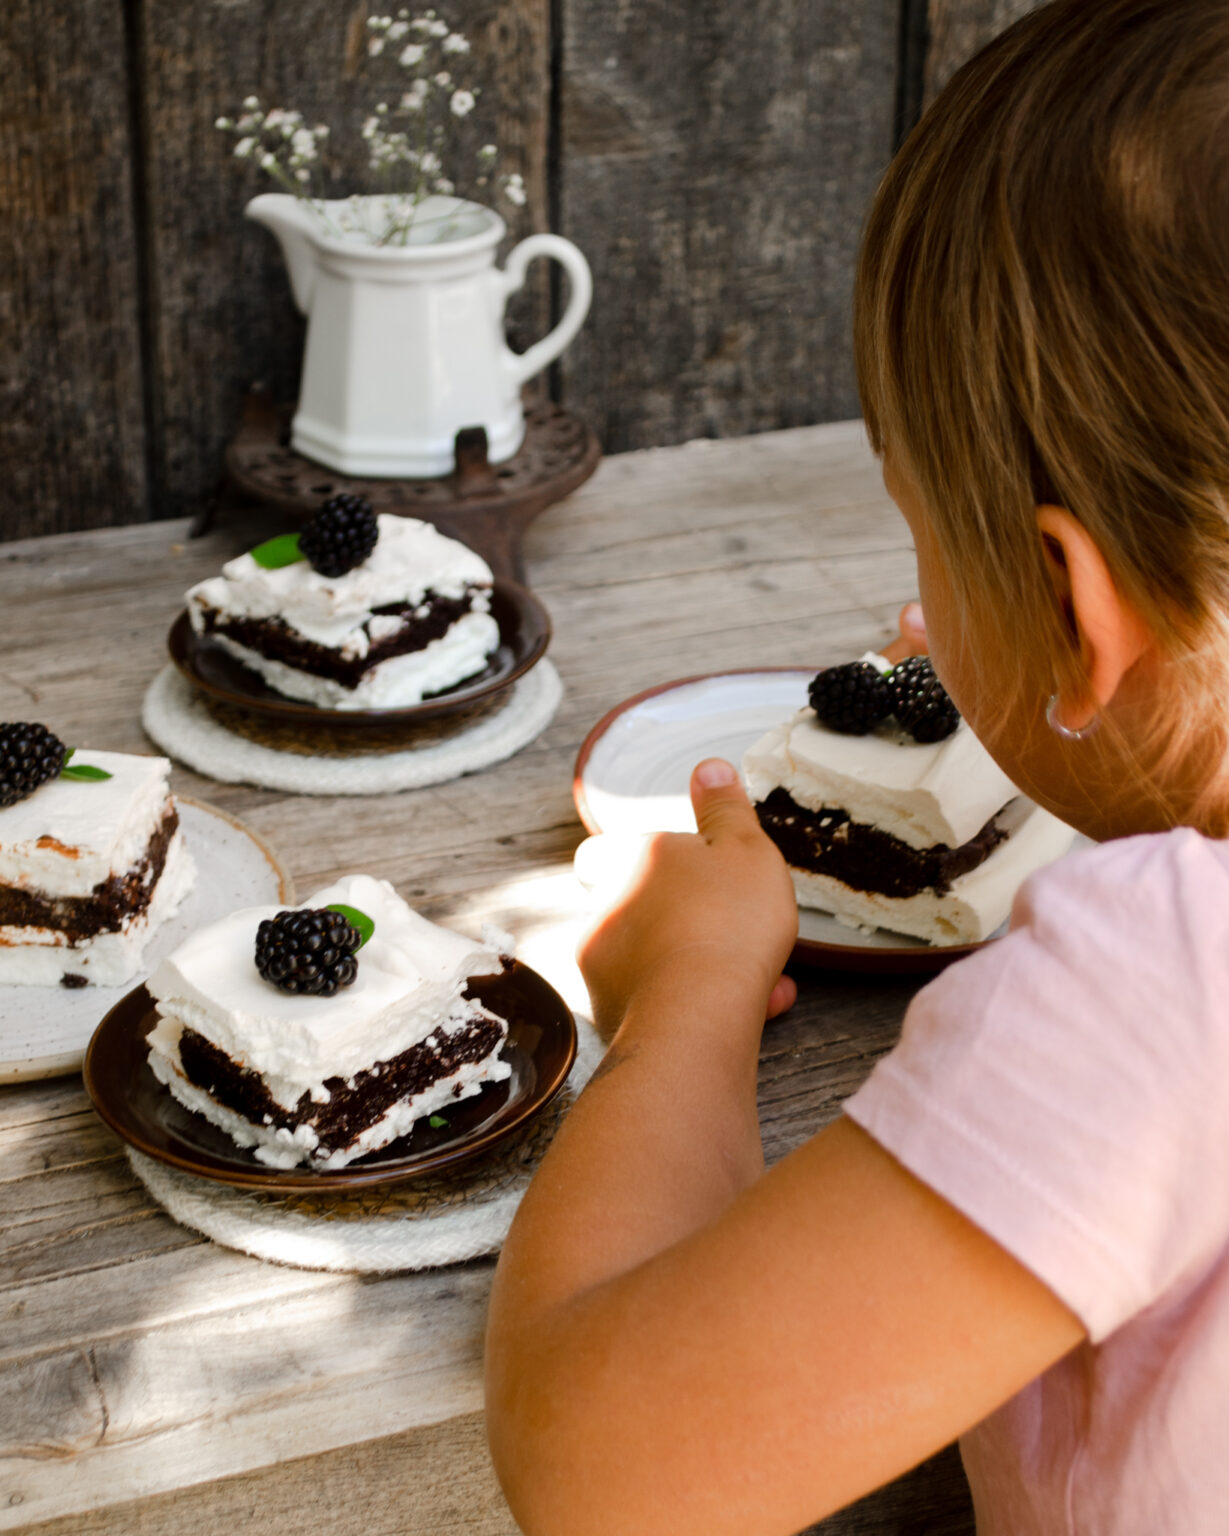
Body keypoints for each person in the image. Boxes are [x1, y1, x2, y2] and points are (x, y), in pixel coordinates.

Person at [484, 1, 1229, 1530]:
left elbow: (601, 1476)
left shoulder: (1166, 984)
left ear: (1069, 604)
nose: (913, 618)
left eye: (928, 542)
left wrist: (683, 1000)